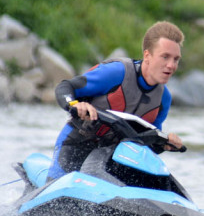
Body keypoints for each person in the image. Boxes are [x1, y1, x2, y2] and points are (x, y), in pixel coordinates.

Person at [48, 21, 185, 180]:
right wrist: (75, 104)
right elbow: (65, 86)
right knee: (57, 186)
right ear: (147, 55)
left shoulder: (163, 99)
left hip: (113, 157)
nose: (171, 65)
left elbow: (146, 143)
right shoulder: (116, 72)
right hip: (76, 143)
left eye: (176, 59)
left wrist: (164, 144)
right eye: (165, 57)